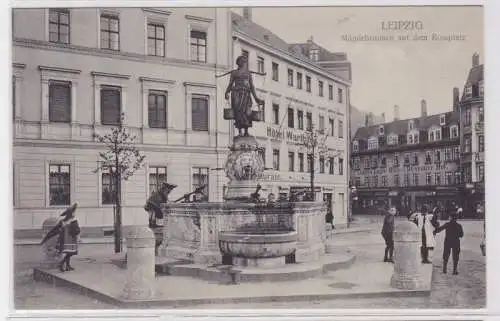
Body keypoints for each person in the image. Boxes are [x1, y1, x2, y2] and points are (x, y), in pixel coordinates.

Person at [224, 55, 264, 136]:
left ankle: (246, 131)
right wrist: (226, 92)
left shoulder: (248, 73)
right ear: (238, 63)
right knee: (238, 112)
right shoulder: (234, 73)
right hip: (236, 95)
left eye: (245, 61)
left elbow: (252, 86)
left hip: (246, 94)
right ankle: (239, 131)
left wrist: (256, 98)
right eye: (242, 61)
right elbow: (230, 84)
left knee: (247, 113)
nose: (244, 63)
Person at [40, 203, 80, 272]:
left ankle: (67, 266)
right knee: (70, 253)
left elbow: (54, 231)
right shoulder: (72, 221)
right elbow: (76, 230)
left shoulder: (63, 221)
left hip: (65, 241)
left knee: (69, 253)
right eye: (74, 213)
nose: (74, 214)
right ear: (71, 214)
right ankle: (61, 264)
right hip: (69, 241)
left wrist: (45, 239)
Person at [144, 182, 177, 255]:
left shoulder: (160, 195)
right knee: (157, 236)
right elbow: (156, 208)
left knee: (158, 236)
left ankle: (154, 252)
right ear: (165, 189)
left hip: (156, 220)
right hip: (156, 221)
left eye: (170, 190)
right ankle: (154, 253)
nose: (169, 192)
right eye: (169, 190)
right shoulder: (159, 196)